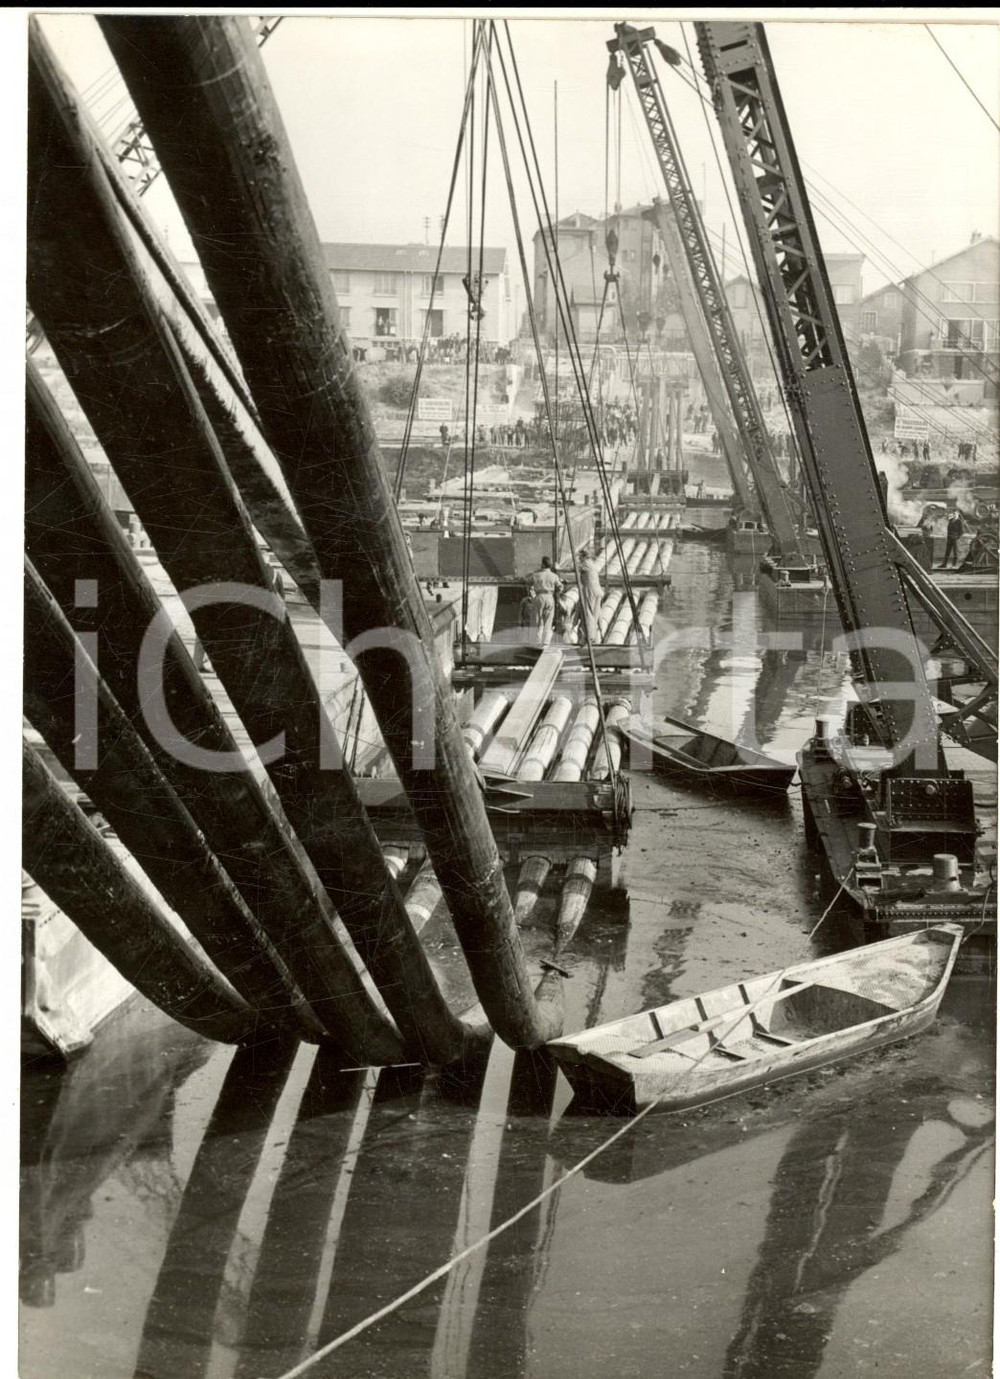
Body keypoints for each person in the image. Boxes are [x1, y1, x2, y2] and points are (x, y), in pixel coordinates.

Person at [529, 556, 563, 647]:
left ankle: (537, 641)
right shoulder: (554, 576)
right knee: (548, 620)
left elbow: (528, 582)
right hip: (549, 597)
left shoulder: (536, 575)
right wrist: (556, 593)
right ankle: (546, 642)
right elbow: (560, 587)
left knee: (538, 620)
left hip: (539, 596)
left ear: (543, 564)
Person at [577, 546, 603, 641]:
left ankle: (590, 638)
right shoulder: (592, 563)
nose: (579, 559)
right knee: (595, 614)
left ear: (584, 557)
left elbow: (575, 569)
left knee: (589, 614)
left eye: (580, 557)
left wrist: (558, 568)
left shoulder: (585, 563)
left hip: (590, 590)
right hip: (597, 590)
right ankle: (595, 636)